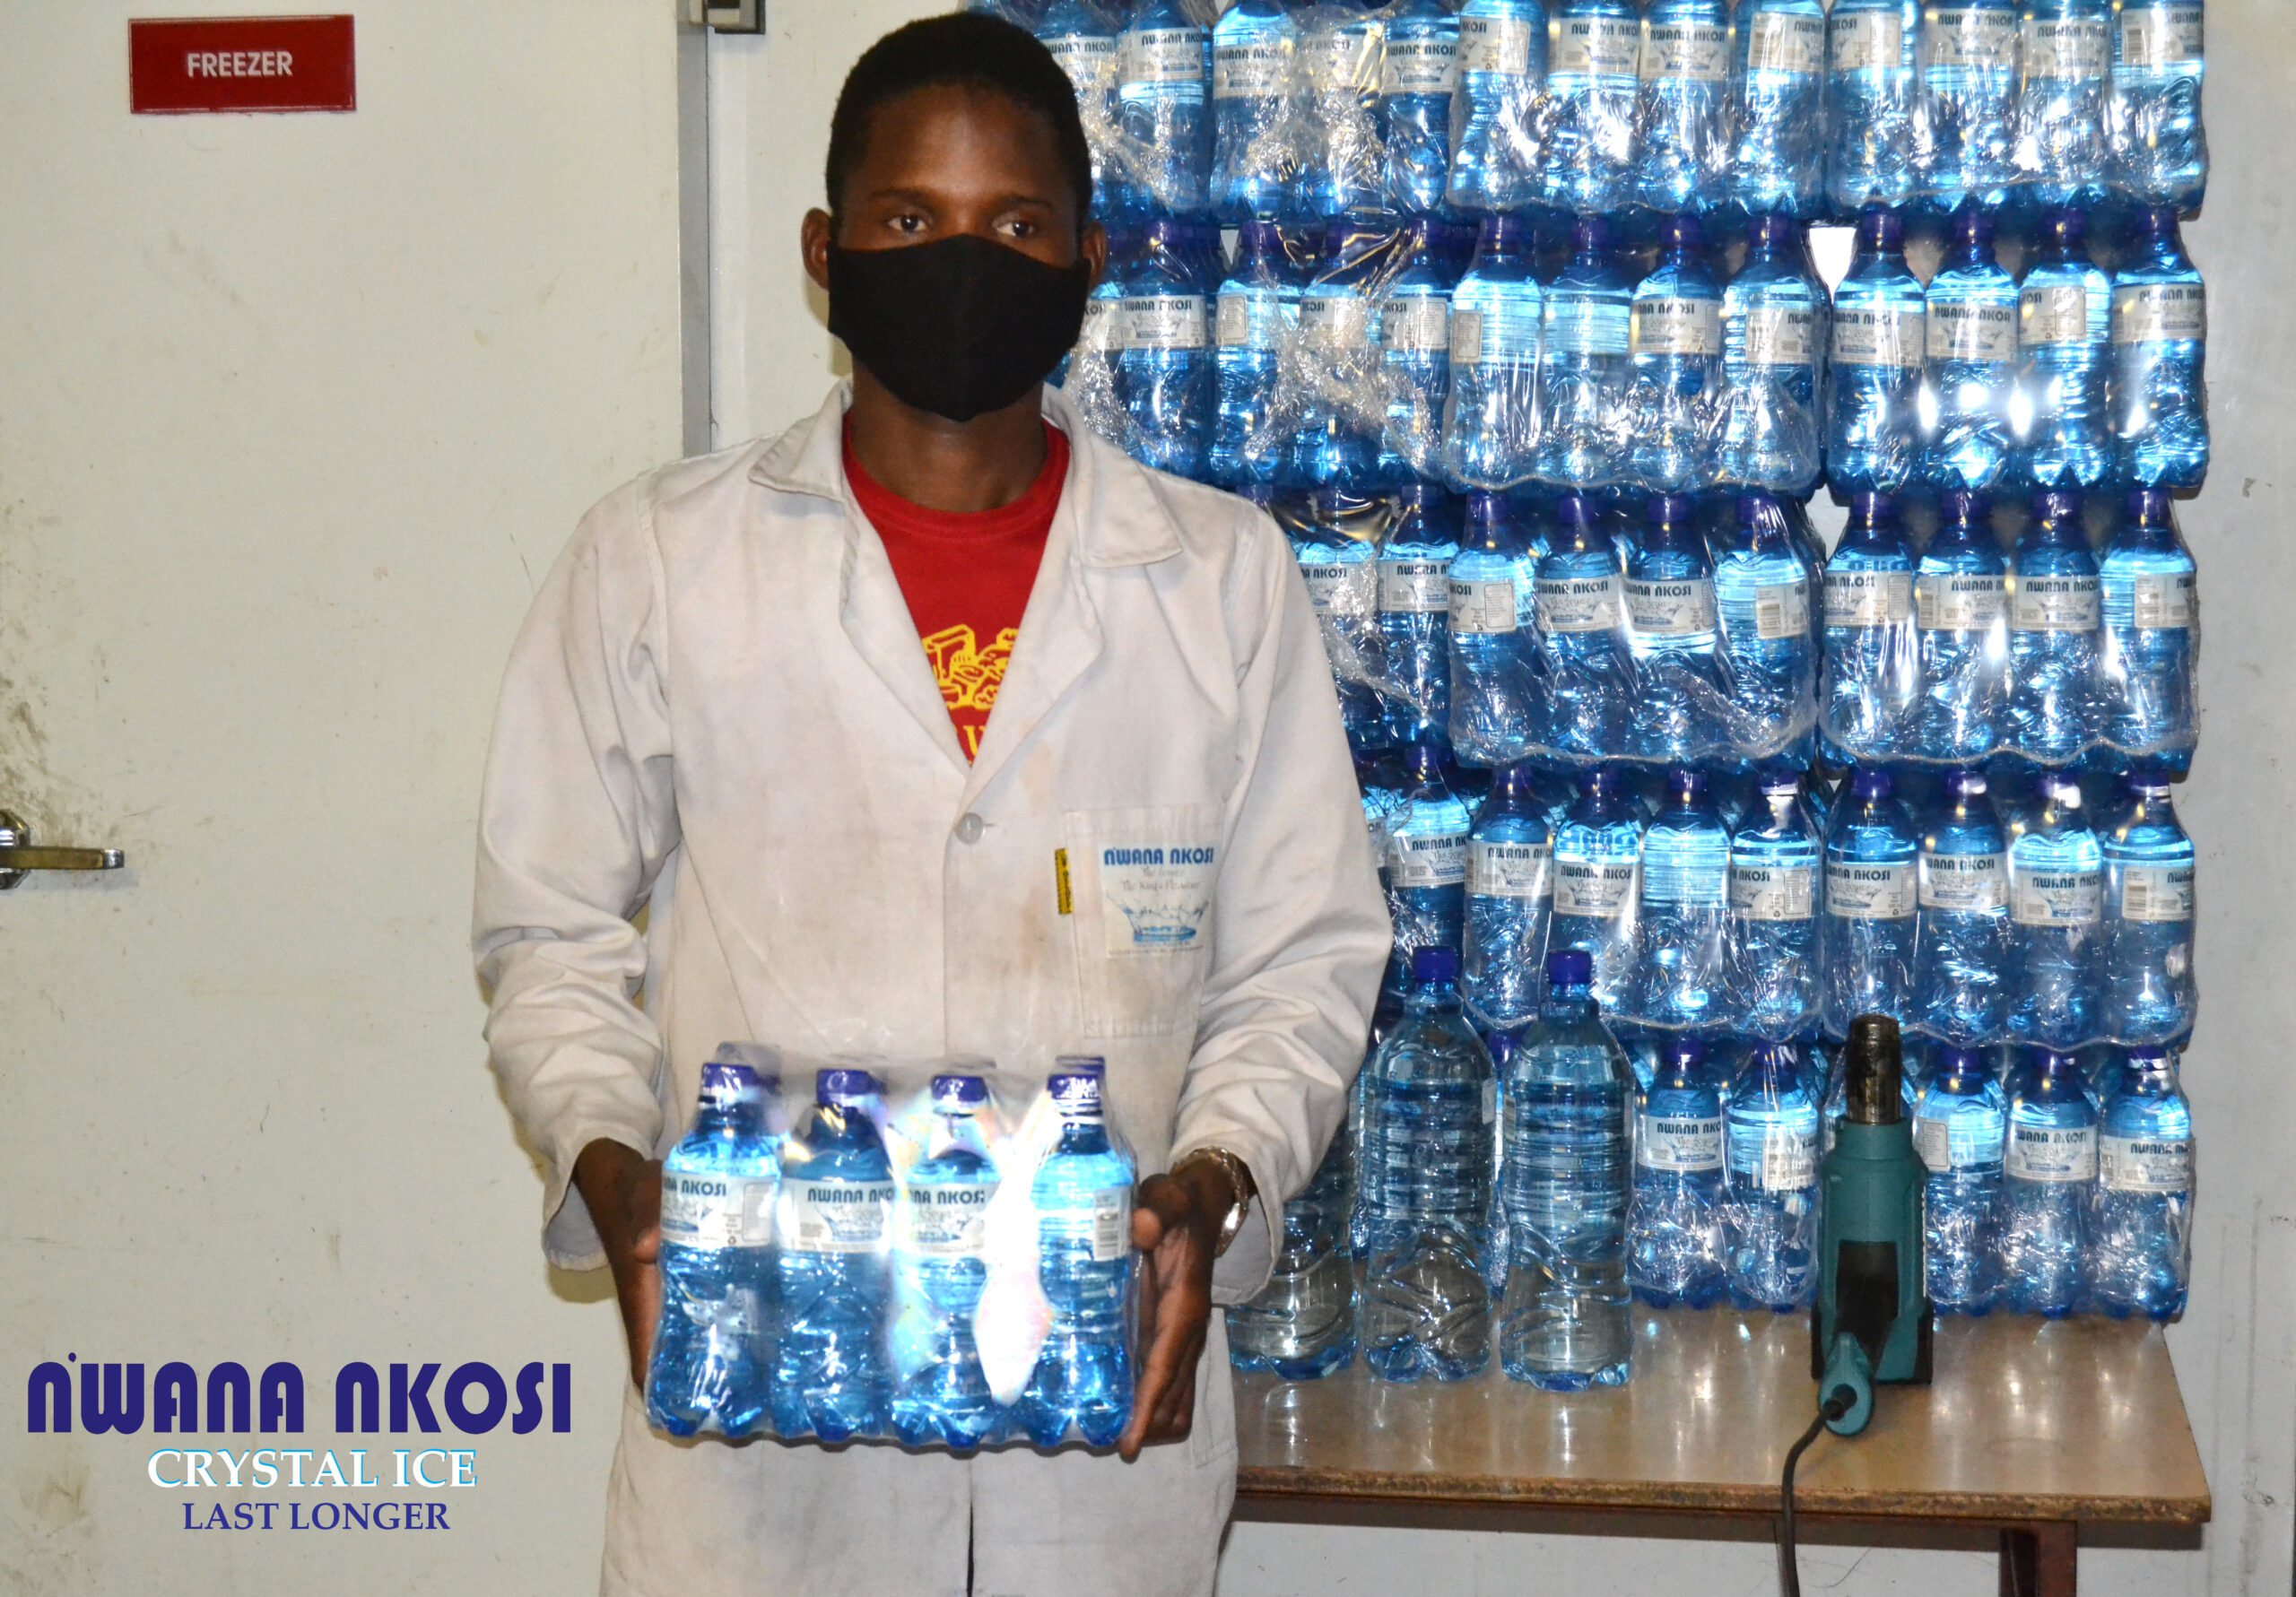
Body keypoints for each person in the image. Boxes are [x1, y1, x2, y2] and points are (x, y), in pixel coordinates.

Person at [472, 13, 1388, 1596]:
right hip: (763, 1439)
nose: (963, 261)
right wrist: (614, 1166)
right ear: (824, 254)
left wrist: (1221, 1169)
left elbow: (1304, 963)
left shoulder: (1220, 580)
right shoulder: (661, 561)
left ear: (1088, 263)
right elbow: (546, 929)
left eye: (1015, 226)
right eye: (910, 220)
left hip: (1098, 1431)